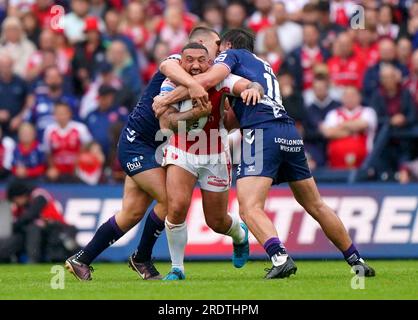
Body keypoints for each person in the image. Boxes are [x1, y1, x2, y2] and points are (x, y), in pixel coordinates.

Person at [154, 28, 375, 279]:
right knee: (315, 203)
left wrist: (165, 100)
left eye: (217, 47)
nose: (213, 53)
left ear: (226, 45)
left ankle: (280, 257)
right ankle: (356, 260)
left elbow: (203, 83)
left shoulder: (230, 56)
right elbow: (232, 116)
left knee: (248, 208)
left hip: (261, 133)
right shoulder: (263, 65)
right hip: (288, 131)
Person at [64, 27, 218, 281]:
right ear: (196, 46)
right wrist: (194, 90)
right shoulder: (174, 63)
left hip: (154, 147)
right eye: (214, 44)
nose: (196, 64)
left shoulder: (205, 76)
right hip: (137, 144)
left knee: (132, 212)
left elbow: (178, 124)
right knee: (170, 200)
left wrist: (196, 112)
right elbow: (166, 119)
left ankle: (81, 259)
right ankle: (141, 258)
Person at [158, 42, 263, 280]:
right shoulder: (170, 83)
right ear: (181, 62)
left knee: (216, 221)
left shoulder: (220, 79)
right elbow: (165, 124)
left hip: (214, 153)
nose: (195, 65)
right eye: (189, 60)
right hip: (181, 150)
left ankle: (239, 235)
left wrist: (254, 88)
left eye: (201, 60)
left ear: (211, 62)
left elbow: (249, 84)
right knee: (176, 208)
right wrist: (195, 114)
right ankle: (177, 268)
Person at [0, 179, 78, 263]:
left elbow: (30, 215)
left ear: (21, 196)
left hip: (56, 227)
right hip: (37, 232)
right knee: (12, 240)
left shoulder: (39, 195)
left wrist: (16, 224)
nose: (15, 203)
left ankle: (33, 260)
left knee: (32, 228)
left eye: (15, 199)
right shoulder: (20, 208)